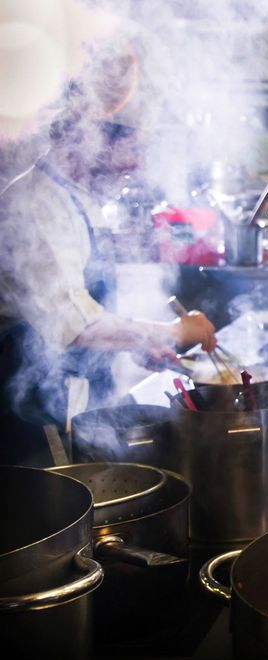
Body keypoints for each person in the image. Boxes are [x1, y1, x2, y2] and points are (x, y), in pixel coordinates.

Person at [0, 47, 216, 467]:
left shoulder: (78, 196)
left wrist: (134, 343)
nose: (137, 166)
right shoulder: (38, 203)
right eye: (132, 149)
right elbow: (73, 322)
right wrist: (168, 332)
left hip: (70, 401)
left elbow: (83, 308)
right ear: (91, 137)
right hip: (25, 411)